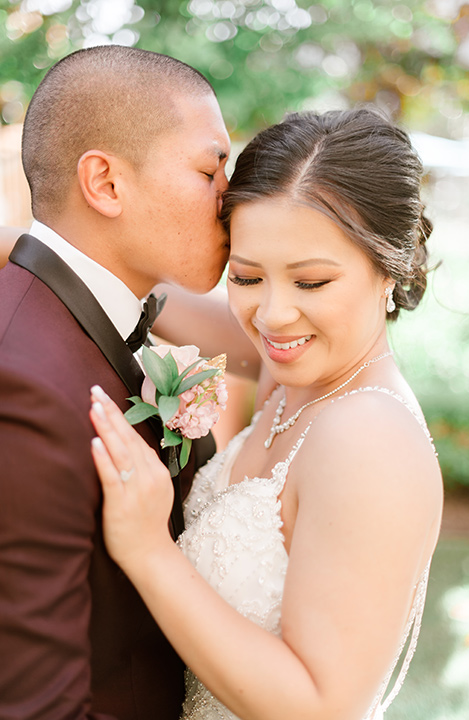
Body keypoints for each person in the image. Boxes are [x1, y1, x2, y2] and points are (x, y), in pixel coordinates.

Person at [89, 107, 444, 720]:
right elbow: (169, 303)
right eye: (247, 276)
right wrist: (38, 248)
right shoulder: (298, 369)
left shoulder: (368, 439)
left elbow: (319, 706)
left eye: (310, 283)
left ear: (390, 269)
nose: (272, 316)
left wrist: (149, 552)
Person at [0, 45, 259, 720]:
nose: (233, 198)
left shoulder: (119, 325)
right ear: (106, 184)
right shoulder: (19, 379)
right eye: (212, 169)